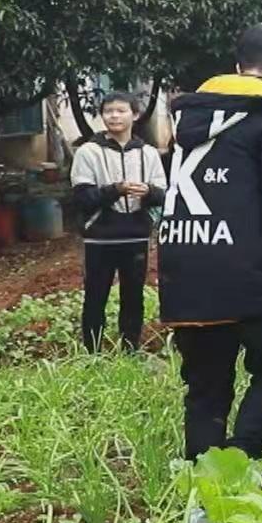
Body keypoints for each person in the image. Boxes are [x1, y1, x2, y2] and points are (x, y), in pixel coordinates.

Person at [157, 23, 262, 523]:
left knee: (204, 390)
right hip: (252, 276)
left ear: (239, 62)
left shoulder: (191, 115)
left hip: (188, 271)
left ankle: (202, 504)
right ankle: (241, 467)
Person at [69, 91, 167, 351]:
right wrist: (116, 189)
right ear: (102, 116)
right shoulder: (88, 152)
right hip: (99, 236)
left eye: (121, 110)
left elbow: (164, 195)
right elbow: (82, 198)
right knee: (95, 296)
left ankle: (130, 350)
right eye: (108, 111)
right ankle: (92, 354)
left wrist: (148, 192)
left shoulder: (148, 153)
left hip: (136, 235)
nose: (114, 115)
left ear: (134, 115)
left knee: (134, 297)